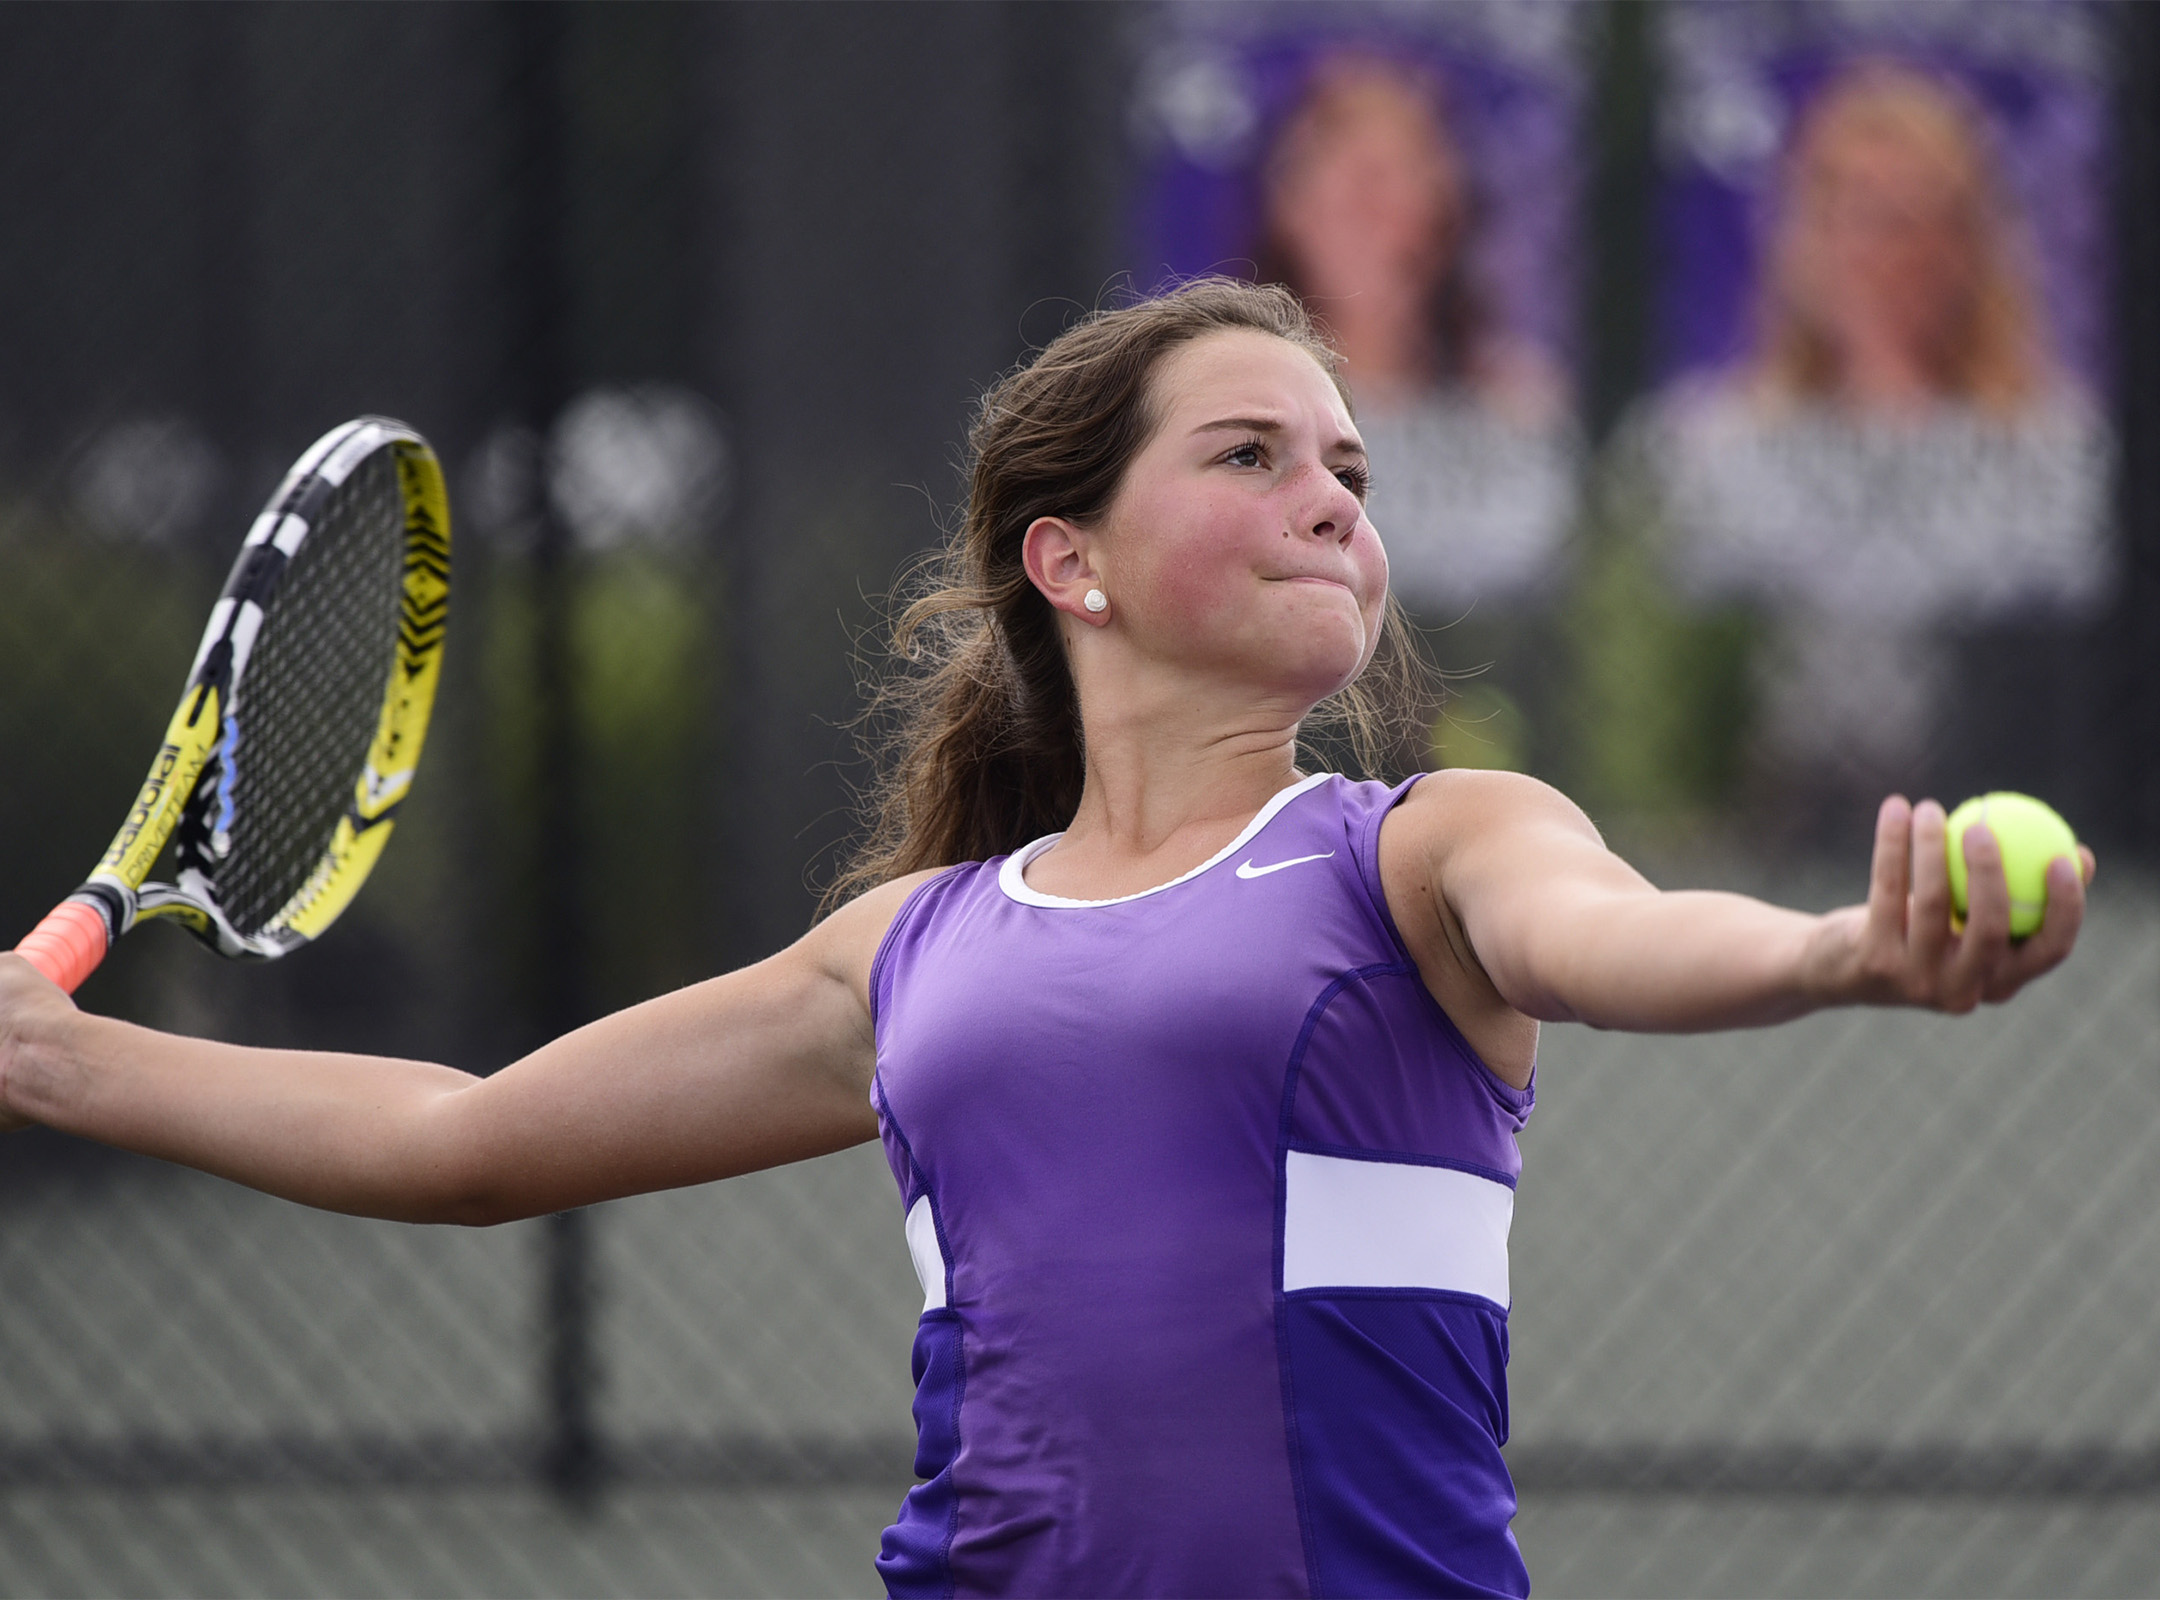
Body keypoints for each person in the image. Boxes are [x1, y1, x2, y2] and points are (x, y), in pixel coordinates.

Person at [0, 279, 2093, 1599]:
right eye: (1254, 453)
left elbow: (1626, 934)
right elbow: (472, 1139)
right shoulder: (910, 947)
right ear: (1067, 558)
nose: (1333, 497)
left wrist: (1834, 954)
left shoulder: (1434, 846)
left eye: (1348, 469)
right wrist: (70, 1059)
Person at [1635, 59, 2110, 830]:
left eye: (1926, 217)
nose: (1893, 251)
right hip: (1771, 813)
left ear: (1974, 244)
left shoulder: (2061, 450)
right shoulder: (1708, 445)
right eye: (1861, 214)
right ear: (1808, 237)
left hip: (1996, 799)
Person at [1255, 54, 1577, 774]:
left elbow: (1529, 583)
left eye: (1394, 183)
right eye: (1347, 183)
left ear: (1444, 212)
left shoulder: (1513, 406)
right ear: (1290, 206)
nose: (1370, 217)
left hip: (1475, 714)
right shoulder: (1223, 390)